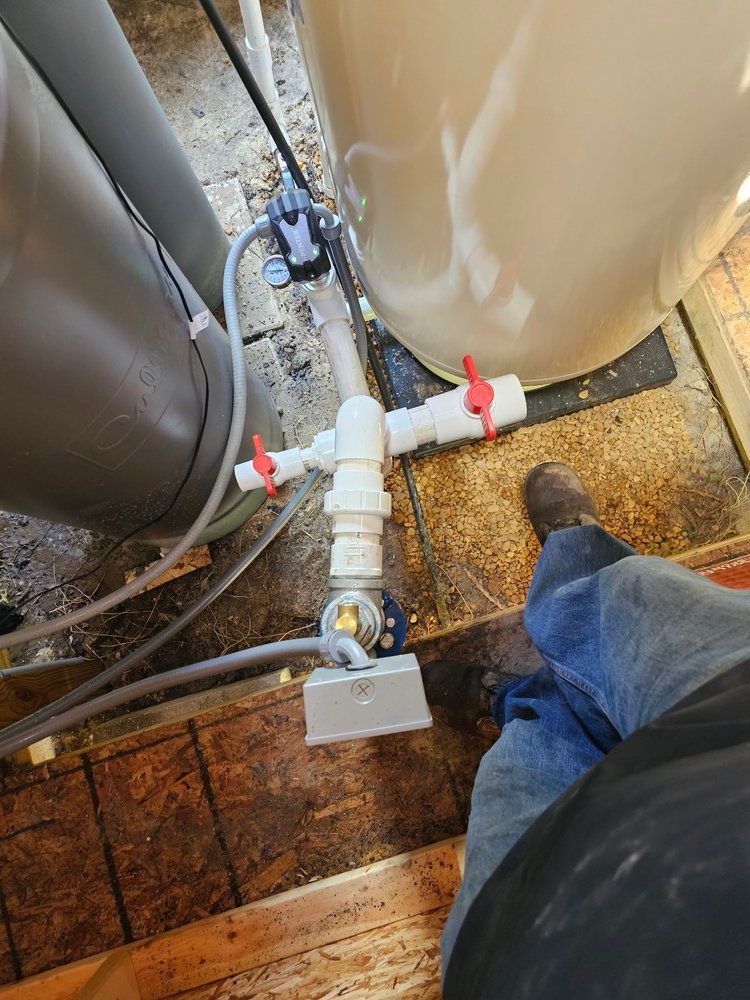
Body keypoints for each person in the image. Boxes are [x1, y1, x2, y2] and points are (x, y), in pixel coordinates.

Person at [423, 462, 750, 1000]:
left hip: (543, 955)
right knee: (638, 608)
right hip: (735, 750)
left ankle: (522, 703)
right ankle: (578, 563)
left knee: (520, 771)